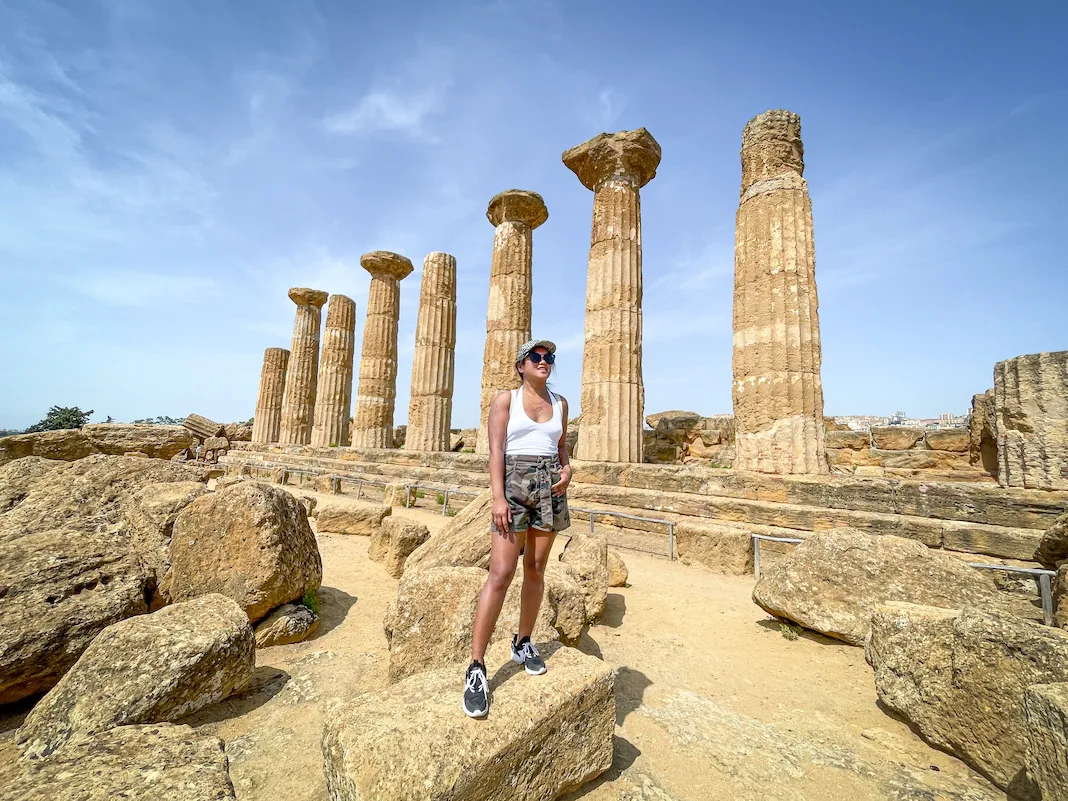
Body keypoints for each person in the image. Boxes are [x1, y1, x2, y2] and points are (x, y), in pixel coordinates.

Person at [462, 339, 572, 718]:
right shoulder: (505, 400)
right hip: (513, 484)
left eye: (549, 358)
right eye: (536, 357)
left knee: (537, 569)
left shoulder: (561, 404)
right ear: (521, 365)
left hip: (549, 487)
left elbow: (561, 448)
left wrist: (567, 468)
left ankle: (523, 641)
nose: (544, 362)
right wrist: (497, 497)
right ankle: (476, 665)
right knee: (501, 572)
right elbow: (495, 451)